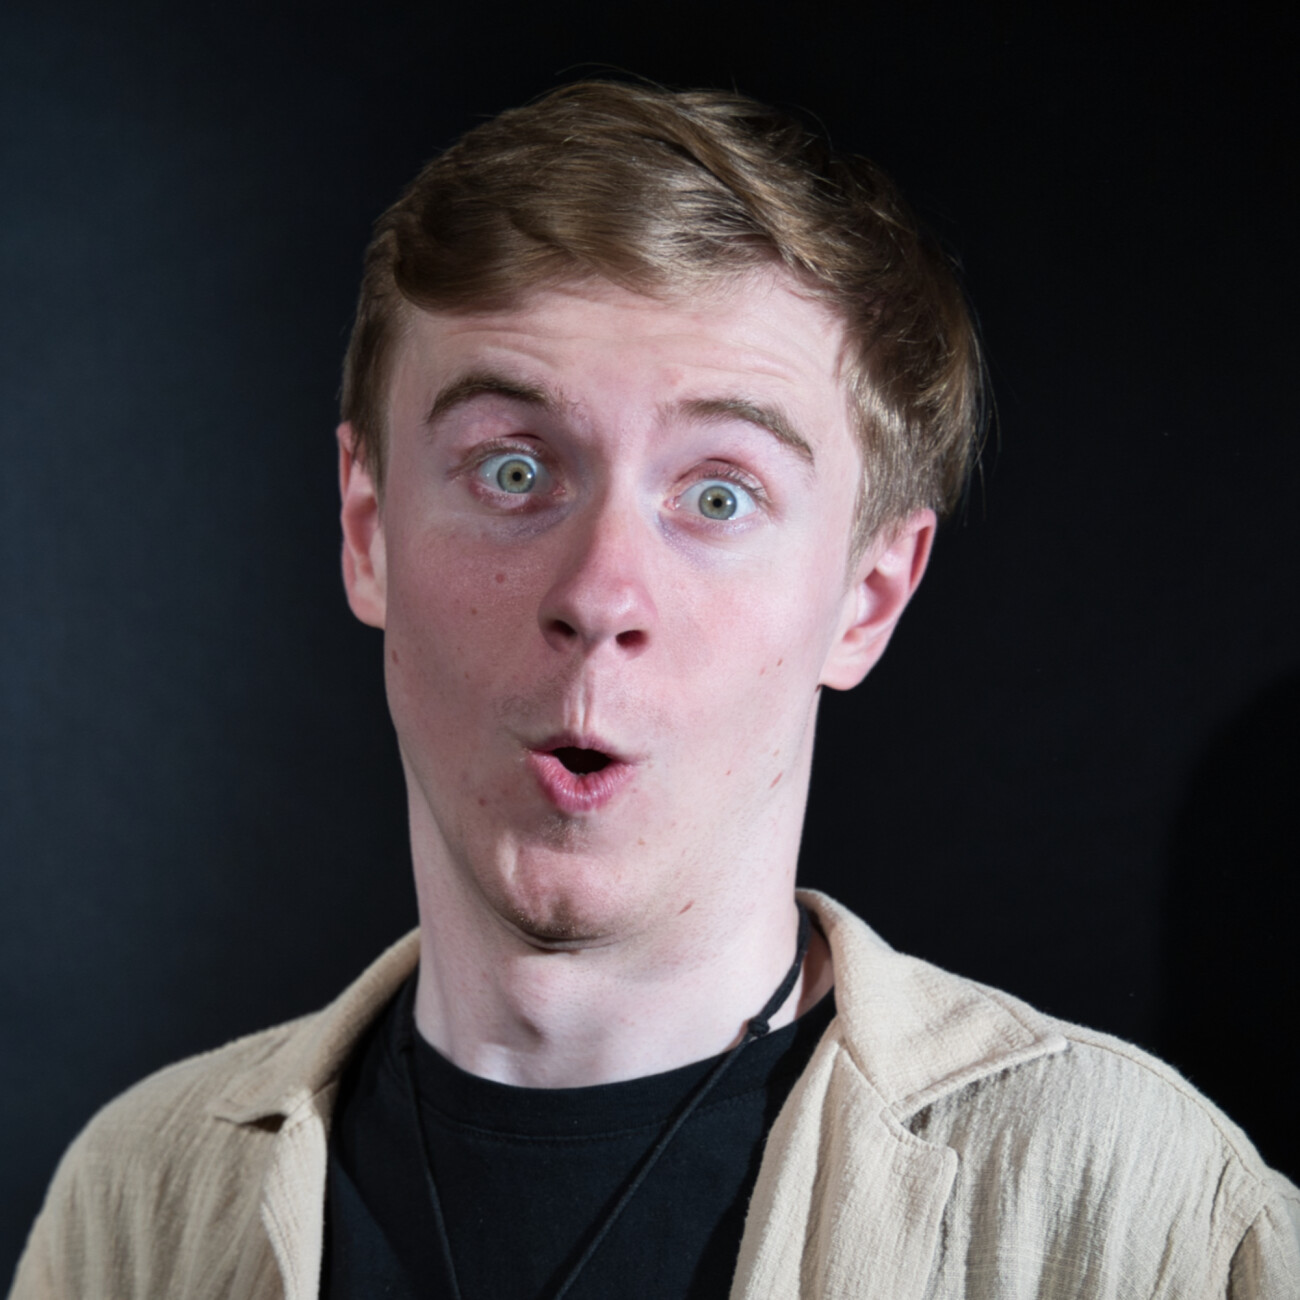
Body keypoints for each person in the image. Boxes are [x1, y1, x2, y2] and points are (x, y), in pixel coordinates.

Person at [11, 81, 1299, 1300]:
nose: (599, 594)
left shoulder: (1145, 1220)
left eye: (719, 496)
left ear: (867, 597)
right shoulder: (135, 1205)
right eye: (513, 470)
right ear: (368, 531)